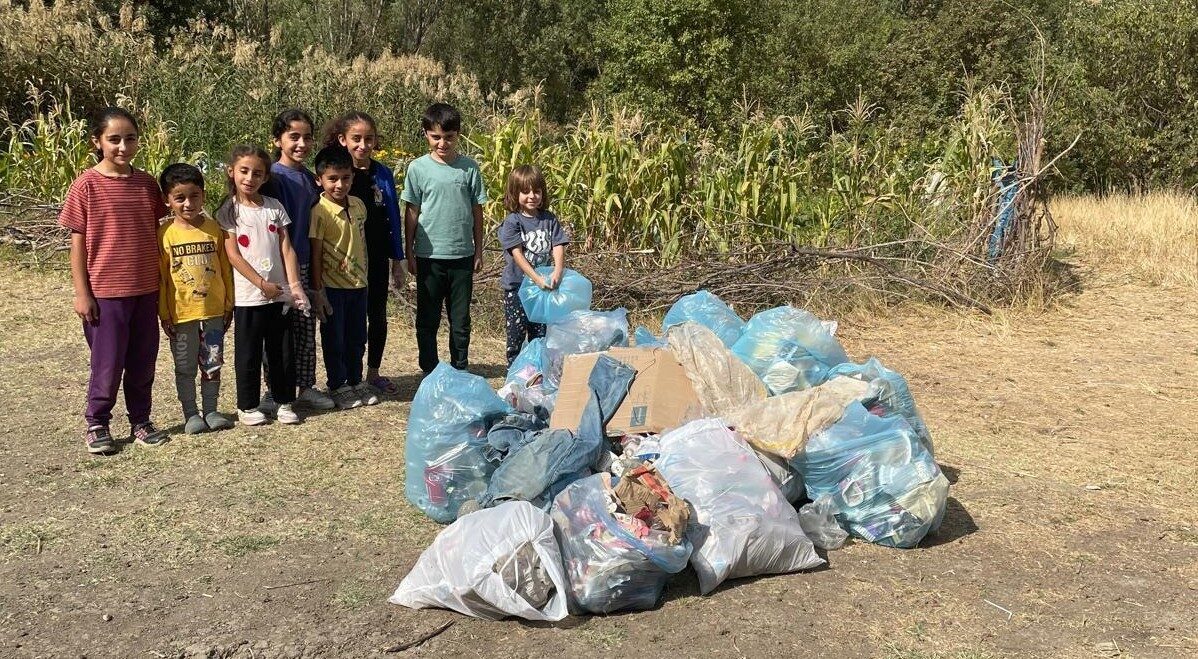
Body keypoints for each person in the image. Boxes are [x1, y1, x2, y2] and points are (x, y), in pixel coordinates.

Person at [59, 107, 171, 454]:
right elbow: (77, 243)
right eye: (114, 139)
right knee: (108, 362)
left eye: (130, 138)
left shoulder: (146, 184)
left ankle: (141, 419)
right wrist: (83, 293)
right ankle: (97, 422)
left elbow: (160, 231)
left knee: (143, 359)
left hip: (146, 289)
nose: (123, 146)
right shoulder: (86, 185)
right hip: (106, 293)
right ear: (97, 142)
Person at [216, 145, 310, 426]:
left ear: (266, 177)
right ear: (231, 172)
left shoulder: (274, 207)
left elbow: (287, 249)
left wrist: (295, 287)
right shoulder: (228, 211)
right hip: (249, 298)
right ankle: (247, 406)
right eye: (244, 171)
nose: (250, 178)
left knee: (282, 350)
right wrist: (260, 283)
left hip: (279, 296)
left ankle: (284, 401)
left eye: (257, 173)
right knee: (249, 353)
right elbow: (233, 255)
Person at [322, 111, 405, 394]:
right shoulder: (335, 175)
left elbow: (393, 217)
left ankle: (373, 372)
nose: (363, 145)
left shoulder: (382, 173)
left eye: (369, 139)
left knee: (377, 314)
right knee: (346, 319)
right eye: (356, 139)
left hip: (377, 256)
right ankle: (345, 377)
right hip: (343, 260)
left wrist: (398, 260)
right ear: (342, 140)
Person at [401, 103, 488, 373]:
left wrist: (478, 251)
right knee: (427, 319)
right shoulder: (418, 169)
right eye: (436, 136)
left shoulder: (469, 169)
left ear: (458, 135)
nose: (442, 143)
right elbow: (412, 211)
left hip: (461, 256)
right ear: (426, 134)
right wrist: (409, 250)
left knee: (460, 320)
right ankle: (430, 369)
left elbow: (477, 211)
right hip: (429, 256)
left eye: (448, 137)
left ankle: (459, 368)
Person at [259, 109, 336, 413]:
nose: (301, 143)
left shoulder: (309, 177)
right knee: (276, 332)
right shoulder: (272, 177)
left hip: (304, 262)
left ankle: (306, 386)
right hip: (276, 265)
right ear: (277, 140)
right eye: (294, 137)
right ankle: (273, 389)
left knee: (305, 328)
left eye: (306, 137)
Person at [157, 163, 235, 435]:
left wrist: (229, 305)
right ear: (168, 201)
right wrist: (164, 313)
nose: (188, 203)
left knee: (212, 361)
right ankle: (191, 413)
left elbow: (225, 269)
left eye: (194, 196)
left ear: (203, 195)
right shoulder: (164, 234)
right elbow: (162, 278)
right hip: (181, 315)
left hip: (213, 311)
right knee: (185, 365)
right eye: (180, 198)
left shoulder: (214, 229)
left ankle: (211, 410)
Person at [308, 144, 379, 409]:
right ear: (319, 180)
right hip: (332, 288)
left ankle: (355, 380)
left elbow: (361, 242)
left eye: (346, 178)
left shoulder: (359, 205)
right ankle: (338, 385)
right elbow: (315, 253)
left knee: (357, 336)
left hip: (359, 285)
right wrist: (318, 290)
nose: (340, 185)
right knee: (334, 338)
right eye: (332, 179)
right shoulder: (319, 211)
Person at [497, 165, 569, 365]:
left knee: (541, 333)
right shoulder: (513, 222)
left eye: (537, 191)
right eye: (525, 191)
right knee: (516, 333)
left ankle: (538, 372)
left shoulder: (549, 219)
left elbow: (558, 244)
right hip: (518, 287)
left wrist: (557, 270)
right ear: (515, 193)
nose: (532, 196)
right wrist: (535, 278)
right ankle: (515, 372)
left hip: (543, 289)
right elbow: (517, 255)